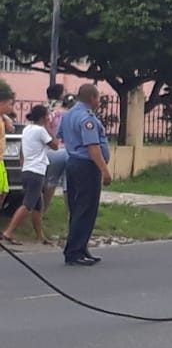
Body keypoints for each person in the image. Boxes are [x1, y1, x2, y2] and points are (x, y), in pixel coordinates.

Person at [58, 83, 111, 266]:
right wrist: (104, 170)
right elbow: (93, 148)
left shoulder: (68, 115)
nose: (98, 101)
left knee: (77, 207)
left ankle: (80, 247)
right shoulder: (86, 118)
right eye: (98, 98)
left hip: (72, 163)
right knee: (85, 209)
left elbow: (61, 136)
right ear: (92, 98)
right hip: (87, 166)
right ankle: (74, 252)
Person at [2, 105, 58, 246]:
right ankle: (8, 232)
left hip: (27, 169)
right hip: (36, 171)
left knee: (38, 205)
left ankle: (40, 236)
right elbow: (55, 145)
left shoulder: (27, 129)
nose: (48, 118)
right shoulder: (41, 131)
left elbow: (21, 151)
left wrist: (23, 165)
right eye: (47, 116)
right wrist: (49, 128)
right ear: (42, 117)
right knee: (28, 204)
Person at [44, 88, 73, 214]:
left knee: (51, 181)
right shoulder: (68, 113)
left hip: (51, 150)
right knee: (69, 183)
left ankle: (42, 210)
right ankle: (70, 212)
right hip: (68, 149)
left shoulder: (47, 110)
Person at [0, 88, 15, 212]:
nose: (11, 108)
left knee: (4, 191)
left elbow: (10, 129)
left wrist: (6, 118)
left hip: (1, 159)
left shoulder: (2, 117)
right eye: (10, 104)